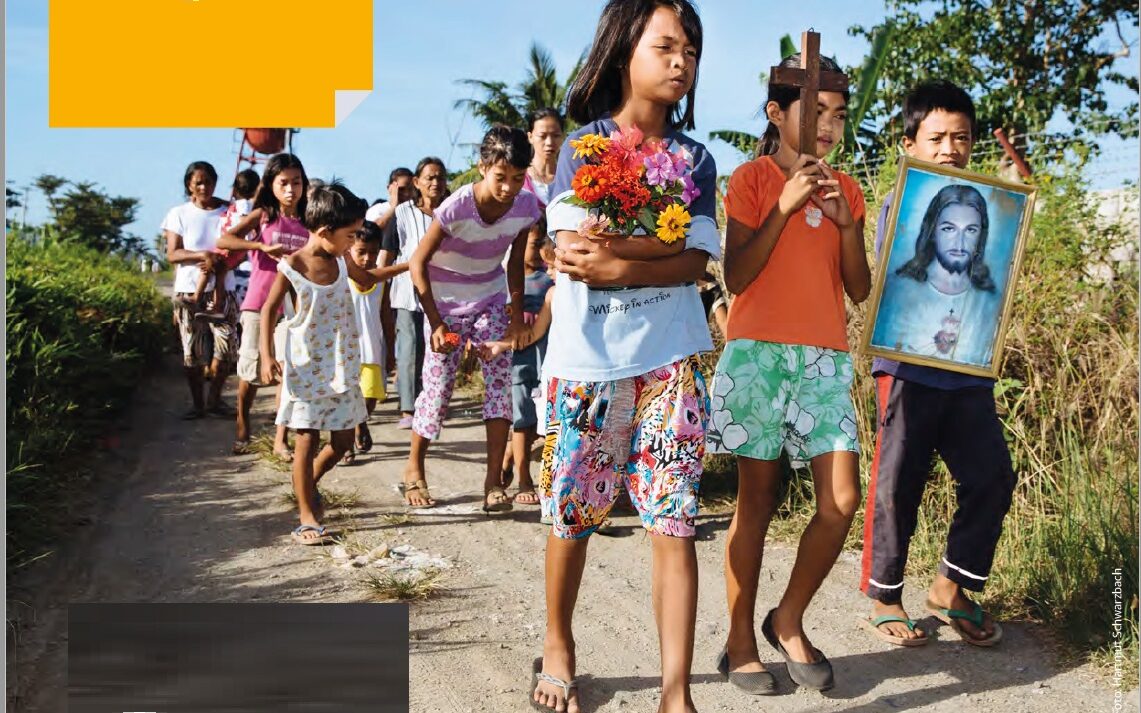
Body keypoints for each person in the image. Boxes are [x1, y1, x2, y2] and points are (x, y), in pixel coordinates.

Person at [531, 2, 719, 711]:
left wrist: (624, 263)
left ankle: (676, 693)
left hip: (672, 362)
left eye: (690, 51)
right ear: (622, 54)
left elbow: (698, 261)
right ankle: (558, 643)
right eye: (666, 46)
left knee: (674, 519)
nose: (681, 61)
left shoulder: (696, 160)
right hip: (587, 363)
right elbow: (576, 251)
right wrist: (657, 251)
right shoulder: (582, 149)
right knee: (572, 513)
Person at [706, 51, 869, 693]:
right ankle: (739, 640)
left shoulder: (846, 188)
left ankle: (788, 617)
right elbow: (736, 276)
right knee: (757, 500)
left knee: (841, 500)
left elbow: (858, 288)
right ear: (777, 113)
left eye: (839, 114)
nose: (829, 125)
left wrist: (846, 224)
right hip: (759, 356)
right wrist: (783, 205)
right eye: (816, 111)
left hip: (824, 359)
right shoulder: (750, 179)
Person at [860, 79, 1014, 648]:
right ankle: (885, 596)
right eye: (937, 137)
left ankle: (952, 587)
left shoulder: (989, 214)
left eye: (962, 137)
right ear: (910, 145)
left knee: (991, 475)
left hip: (967, 370)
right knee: (899, 480)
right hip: (907, 369)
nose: (951, 148)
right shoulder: (902, 208)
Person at [259, 182, 409, 544]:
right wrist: (266, 355)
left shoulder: (342, 260)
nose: (354, 242)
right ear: (326, 232)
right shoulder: (293, 266)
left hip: (342, 367)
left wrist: (410, 265)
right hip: (306, 370)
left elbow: (368, 278)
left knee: (342, 441)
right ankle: (307, 517)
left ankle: (307, 482)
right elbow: (267, 310)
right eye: (350, 235)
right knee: (306, 439)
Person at [401, 126, 537, 511]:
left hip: (490, 299)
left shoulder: (526, 207)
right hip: (444, 306)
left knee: (499, 385)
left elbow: (515, 264)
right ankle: (414, 467)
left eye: (518, 178)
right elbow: (418, 262)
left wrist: (515, 317)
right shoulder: (456, 207)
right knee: (439, 387)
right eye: (500, 177)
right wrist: (436, 323)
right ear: (483, 168)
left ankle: (493, 482)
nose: (509, 187)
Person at [216, 154, 310, 460]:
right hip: (258, 304)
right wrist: (259, 246)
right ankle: (243, 427)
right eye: (283, 183)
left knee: (288, 372)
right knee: (251, 371)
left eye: (296, 182)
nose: (290, 189)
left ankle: (280, 439)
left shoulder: (308, 221)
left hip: (293, 308)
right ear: (271, 185)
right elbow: (225, 240)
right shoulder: (263, 215)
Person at [873, 184, 1001, 365]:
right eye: (949, 229)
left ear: (981, 235)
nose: (960, 242)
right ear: (932, 231)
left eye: (971, 230)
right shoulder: (897, 287)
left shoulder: (990, 300)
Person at [162, 161, 239, 420]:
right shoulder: (178, 214)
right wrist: (203, 256)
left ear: (216, 183)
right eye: (199, 183)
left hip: (224, 288)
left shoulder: (228, 212)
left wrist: (222, 264)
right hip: (188, 290)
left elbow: (240, 247)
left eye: (208, 182)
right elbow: (173, 254)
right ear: (189, 185)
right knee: (192, 351)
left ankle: (214, 400)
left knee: (227, 347)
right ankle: (198, 404)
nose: (204, 187)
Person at [380, 157, 449, 429]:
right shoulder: (402, 213)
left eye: (440, 177)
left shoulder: (451, 211)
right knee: (409, 349)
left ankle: (432, 403)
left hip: (443, 293)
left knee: (438, 348)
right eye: (429, 177)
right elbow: (387, 254)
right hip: (408, 293)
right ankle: (408, 408)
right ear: (417, 182)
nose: (435, 182)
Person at [498, 218, 554, 505]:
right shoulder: (505, 283)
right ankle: (524, 479)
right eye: (534, 244)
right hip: (517, 364)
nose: (539, 250)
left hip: (545, 362)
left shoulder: (550, 280)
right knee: (521, 421)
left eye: (542, 243)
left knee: (534, 424)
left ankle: (511, 455)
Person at [342, 220, 393, 465]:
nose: (367, 258)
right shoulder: (341, 278)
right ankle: (346, 444)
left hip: (373, 350)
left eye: (373, 252)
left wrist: (391, 351)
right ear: (349, 250)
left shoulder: (382, 281)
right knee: (346, 399)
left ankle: (361, 422)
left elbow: (386, 316)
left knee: (370, 397)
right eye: (361, 252)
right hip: (346, 352)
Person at [183, 168, 262, 318]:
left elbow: (245, 222)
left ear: (235, 189)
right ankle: (209, 302)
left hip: (230, 246)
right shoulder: (240, 204)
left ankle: (211, 303)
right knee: (214, 270)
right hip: (229, 245)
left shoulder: (244, 204)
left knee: (215, 271)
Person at [524, 108, 566, 208]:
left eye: (556, 136)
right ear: (530, 137)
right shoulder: (519, 178)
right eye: (542, 136)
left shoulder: (568, 178)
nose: (549, 142)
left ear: (563, 137)